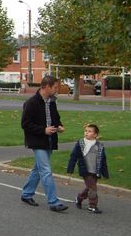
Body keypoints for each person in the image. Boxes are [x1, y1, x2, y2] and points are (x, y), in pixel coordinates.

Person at [20, 75, 68, 212]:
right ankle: (54, 202)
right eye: (55, 87)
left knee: (38, 169)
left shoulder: (51, 102)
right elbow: (25, 124)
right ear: (46, 87)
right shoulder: (31, 103)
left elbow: (56, 118)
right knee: (46, 170)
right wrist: (43, 130)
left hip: (49, 140)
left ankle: (26, 193)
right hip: (37, 141)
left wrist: (59, 126)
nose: (57, 90)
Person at [67, 123, 109, 214]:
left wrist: (105, 173)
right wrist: (70, 169)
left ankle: (79, 198)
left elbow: (103, 160)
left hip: (96, 171)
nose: (86, 133)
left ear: (95, 135)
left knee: (89, 188)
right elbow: (73, 156)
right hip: (85, 170)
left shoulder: (99, 146)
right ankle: (92, 206)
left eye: (89, 131)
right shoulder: (81, 143)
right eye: (85, 131)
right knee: (93, 188)